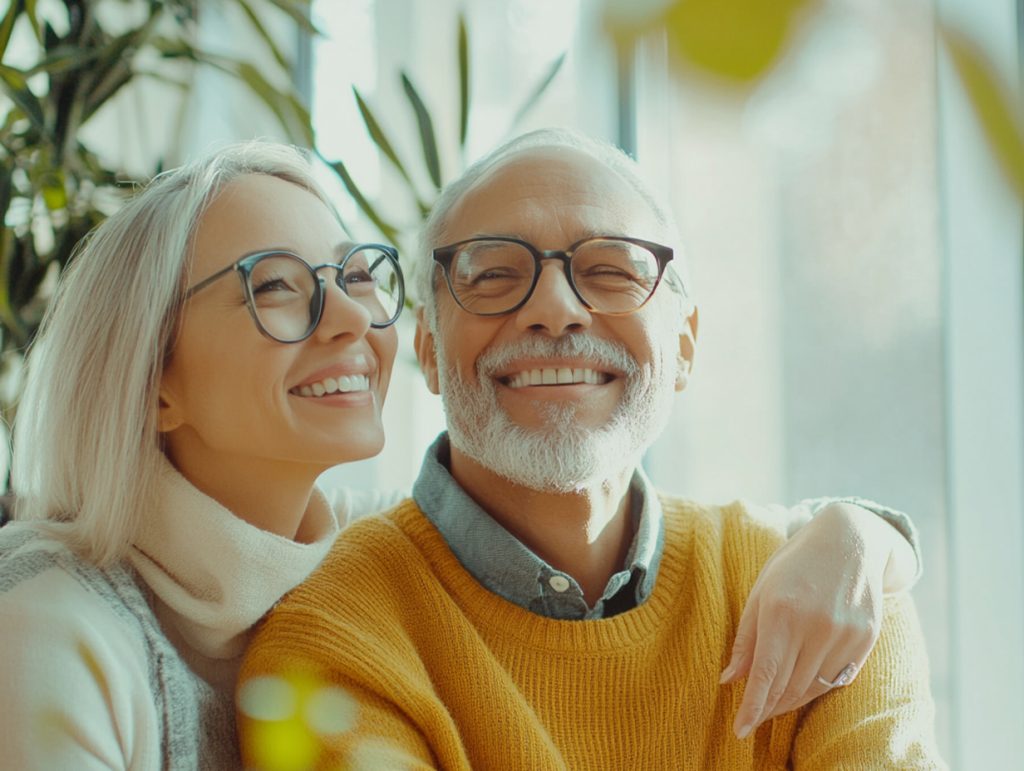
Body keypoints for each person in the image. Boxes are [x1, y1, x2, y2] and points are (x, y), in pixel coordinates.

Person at [238, 128, 944, 769]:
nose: (554, 307)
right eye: (493, 275)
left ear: (686, 342)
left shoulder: (829, 598)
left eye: (611, 269)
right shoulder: (330, 645)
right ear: (425, 342)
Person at [0, 142, 405, 769]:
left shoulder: (383, 554)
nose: (352, 316)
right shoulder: (47, 624)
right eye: (275, 285)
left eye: (356, 276)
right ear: (154, 383)